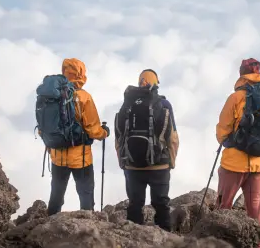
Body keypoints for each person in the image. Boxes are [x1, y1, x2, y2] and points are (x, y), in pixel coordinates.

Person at [215, 58, 260, 248]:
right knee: (255, 209)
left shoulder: (236, 98)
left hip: (234, 164)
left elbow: (223, 129)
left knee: (224, 207)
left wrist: (226, 141)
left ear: (241, 74)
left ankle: (219, 243)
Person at [114, 69, 179, 232]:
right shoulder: (164, 104)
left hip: (132, 165)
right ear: (156, 83)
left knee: (135, 203)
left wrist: (123, 161)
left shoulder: (127, 104)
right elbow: (173, 138)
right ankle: (166, 238)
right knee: (161, 203)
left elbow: (119, 136)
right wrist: (170, 161)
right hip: (159, 166)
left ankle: (133, 237)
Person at [44, 58, 109, 215]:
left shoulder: (51, 95)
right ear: (81, 73)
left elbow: (44, 126)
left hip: (57, 155)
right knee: (85, 195)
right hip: (80, 158)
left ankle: (48, 226)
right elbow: (93, 129)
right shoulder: (84, 97)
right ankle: (88, 227)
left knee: (56, 195)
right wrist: (104, 132)